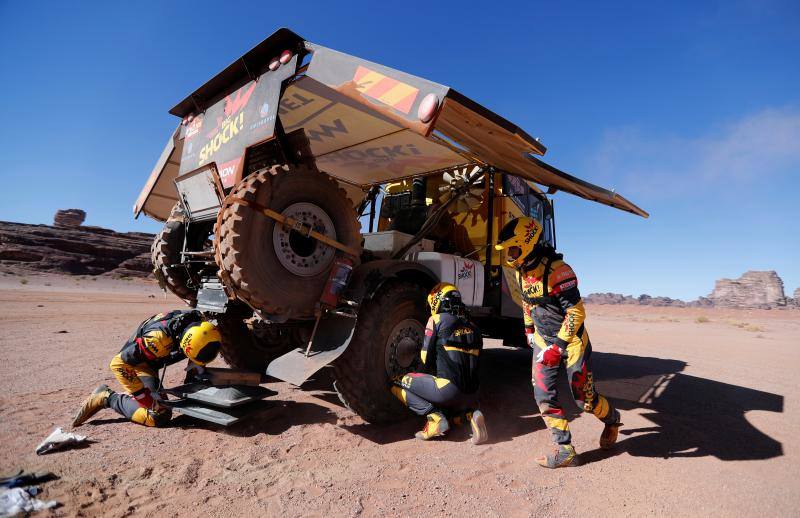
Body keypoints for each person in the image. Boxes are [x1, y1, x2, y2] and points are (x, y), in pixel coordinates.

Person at [495, 217, 622, 468]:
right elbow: (528, 303)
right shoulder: (522, 270)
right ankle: (565, 450)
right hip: (544, 340)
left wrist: (558, 347)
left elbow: (576, 313)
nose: (509, 256)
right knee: (542, 394)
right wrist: (529, 330)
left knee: (584, 401)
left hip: (571, 342)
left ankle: (612, 419)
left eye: (513, 249)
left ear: (527, 244)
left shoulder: (558, 271)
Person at [72, 310, 222, 428]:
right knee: (159, 416)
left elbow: (200, 346)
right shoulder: (157, 341)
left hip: (155, 358)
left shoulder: (200, 323)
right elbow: (117, 364)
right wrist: (143, 397)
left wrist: (194, 386)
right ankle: (107, 398)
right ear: (183, 345)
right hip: (139, 365)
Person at [391, 283, 488, 444]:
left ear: (437, 300)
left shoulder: (436, 319)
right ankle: (471, 416)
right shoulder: (475, 328)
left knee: (396, 381)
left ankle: (434, 418)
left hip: (447, 391)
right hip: (472, 395)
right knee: (450, 414)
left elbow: (425, 359)